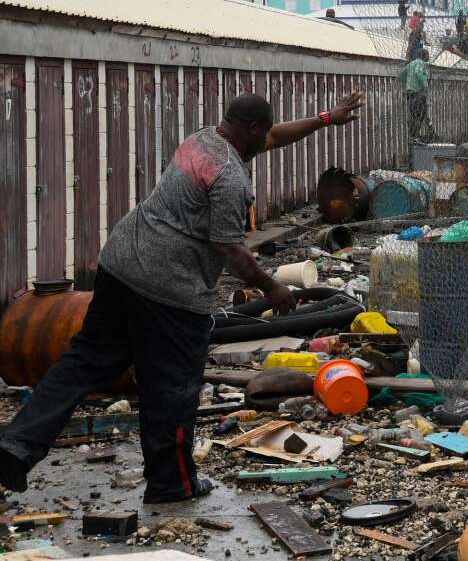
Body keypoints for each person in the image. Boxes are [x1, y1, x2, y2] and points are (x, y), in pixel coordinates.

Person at [0, 90, 364, 504]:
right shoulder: (229, 177)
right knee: (171, 387)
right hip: (168, 290)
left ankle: (16, 447)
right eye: (263, 130)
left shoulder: (204, 139)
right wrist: (273, 287)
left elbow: (275, 136)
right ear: (251, 129)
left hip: (120, 265)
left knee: (82, 363)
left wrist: (324, 119)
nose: (268, 139)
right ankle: (172, 484)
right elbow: (231, 249)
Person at [401, 48, 432, 140]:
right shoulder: (421, 64)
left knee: (415, 115)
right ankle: (414, 135)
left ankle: (413, 135)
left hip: (410, 94)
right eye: (428, 56)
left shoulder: (410, 64)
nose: (429, 57)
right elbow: (419, 73)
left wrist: (408, 84)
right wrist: (425, 85)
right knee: (420, 115)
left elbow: (402, 76)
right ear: (424, 56)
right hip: (418, 93)